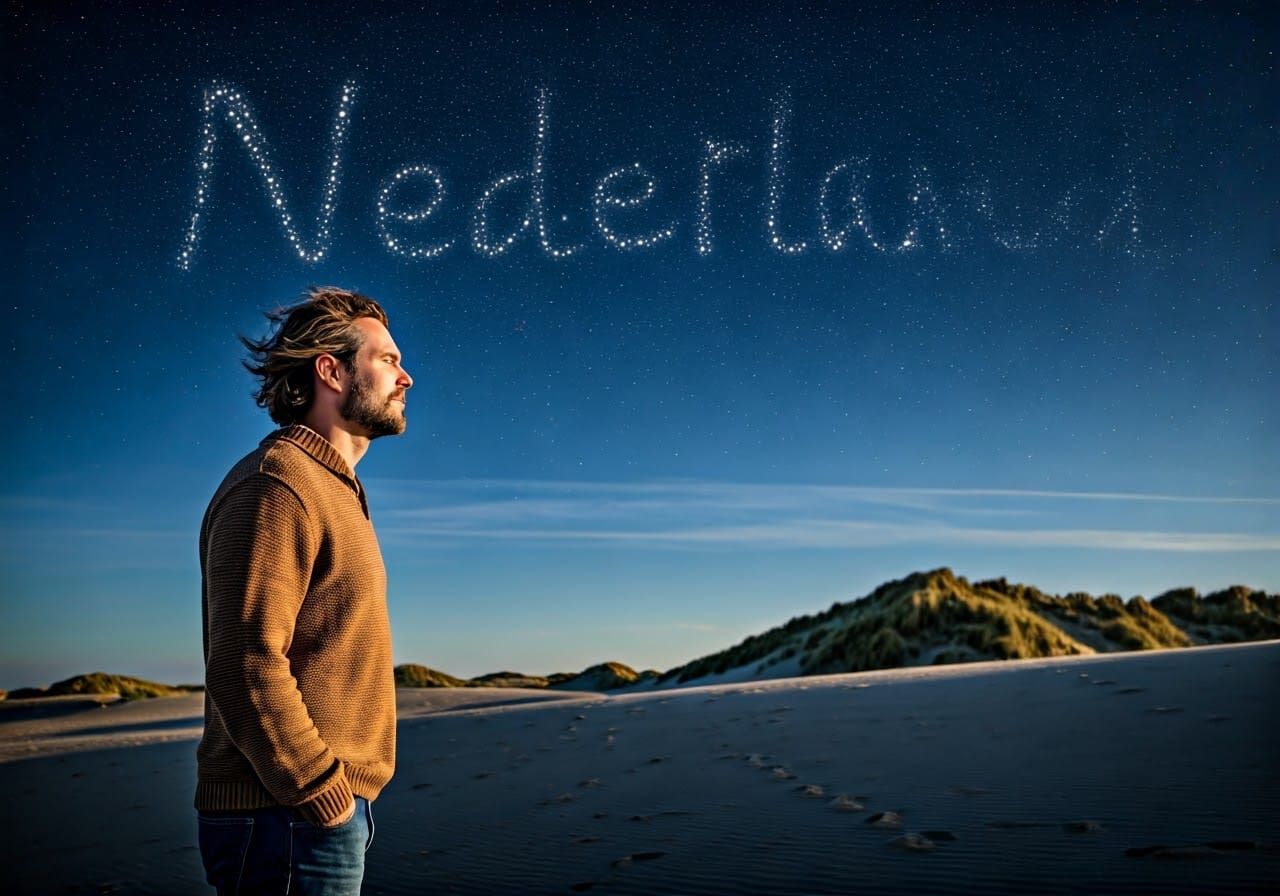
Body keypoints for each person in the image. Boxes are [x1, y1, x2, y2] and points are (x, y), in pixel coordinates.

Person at [195, 286, 412, 895]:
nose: (406, 378)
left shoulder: (331, 488)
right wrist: (319, 790)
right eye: (387, 360)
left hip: (305, 815)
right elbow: (244, 663)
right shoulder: (278, 484)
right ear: (331, 372)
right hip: (286, 815)